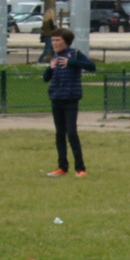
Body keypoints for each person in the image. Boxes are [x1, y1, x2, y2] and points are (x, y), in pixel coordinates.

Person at [43, 29, 96, 177]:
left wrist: (72, 63)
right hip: (56, 99)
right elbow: (45, 78)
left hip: (70, 99)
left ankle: (80, 169)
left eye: (58, 40)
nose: (55, 43)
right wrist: (50, 67)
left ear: (66, 41)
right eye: (53, 40)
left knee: (71, 133)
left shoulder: (75, 54)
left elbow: (92, 66)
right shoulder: (54, 57)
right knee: (60, 134)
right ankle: (62, 167)